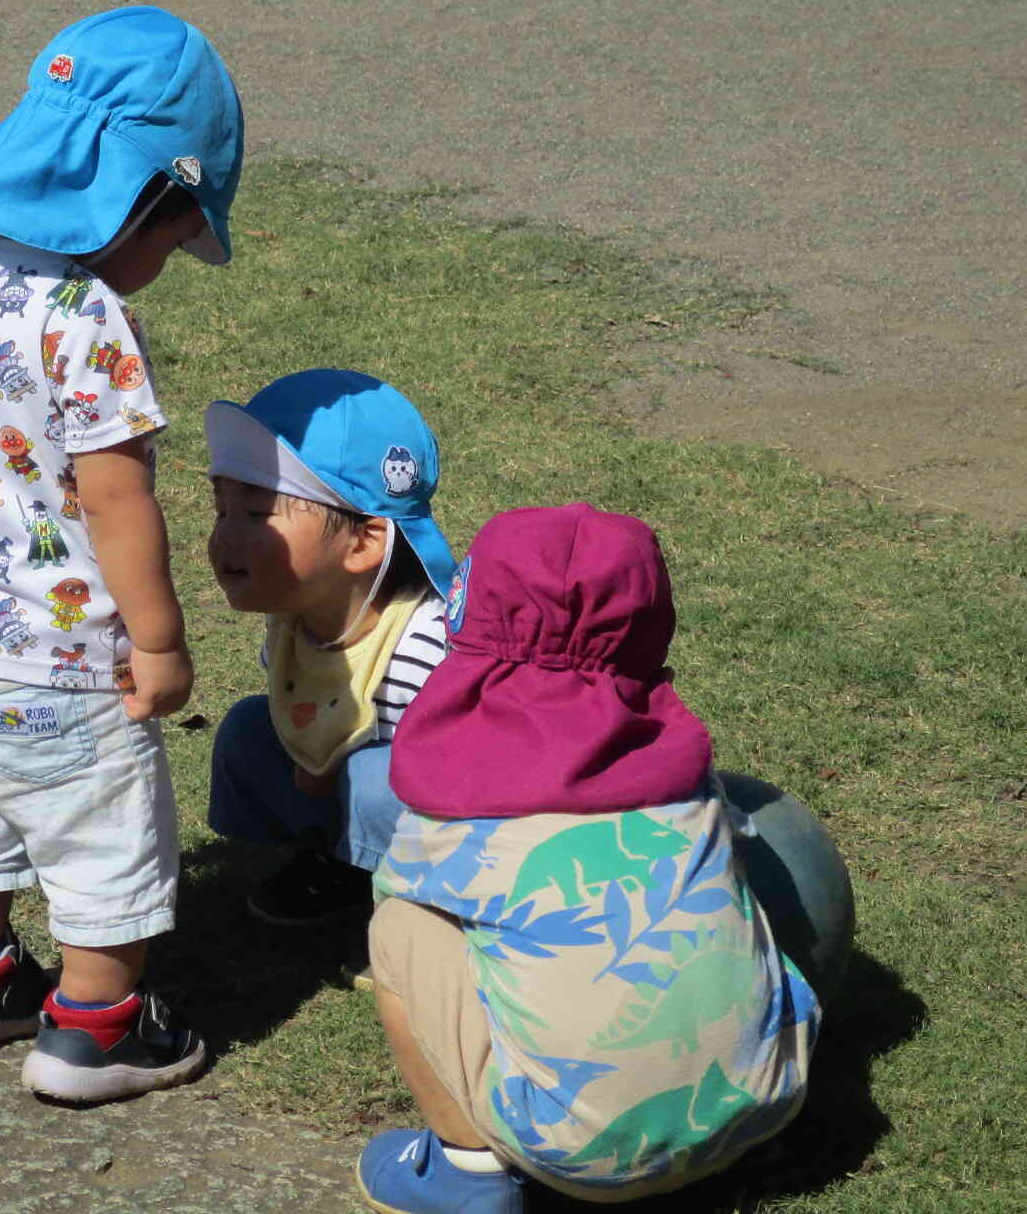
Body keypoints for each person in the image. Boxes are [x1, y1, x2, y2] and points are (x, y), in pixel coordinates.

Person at [0, 4, 241, 1103]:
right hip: (59, 664)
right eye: (177, 239)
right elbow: (114, 496)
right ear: (143, 197)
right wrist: (159, 642)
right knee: (100, 839)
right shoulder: (83, 317)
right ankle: (95, 1025)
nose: (168, 263)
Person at [359, 504, 823, 1212]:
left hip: (580, 1155)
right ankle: (720, 1130)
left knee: (399, 929)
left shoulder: (458, 786)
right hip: (762, 1105)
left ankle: (466, 1177)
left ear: (470, 613)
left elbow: (402, 892)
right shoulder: (682, 770)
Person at [202, 370, 456, 929]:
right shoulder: (294, 624)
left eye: (258, 513)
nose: (224, 537)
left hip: (453, 830)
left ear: (363, 543)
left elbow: (470, 781)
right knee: (249, 728)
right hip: (357, 793)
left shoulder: (426, 650)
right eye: (222, 508)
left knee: (378, 780)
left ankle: (415, 910)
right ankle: (333, 862)